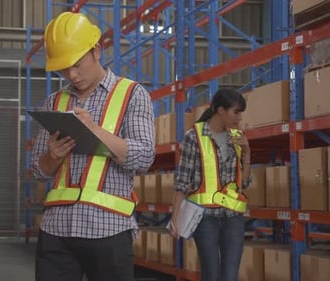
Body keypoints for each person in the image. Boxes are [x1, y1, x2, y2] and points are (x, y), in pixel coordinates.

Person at [31, 11, 155, 281]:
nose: (72, 75)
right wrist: (52, 157)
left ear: (97, 51)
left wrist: (95, 131)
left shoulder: (132, 95)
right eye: (64, 69)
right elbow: (38, 169)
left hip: (108, 229)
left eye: (77, 64)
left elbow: (144, 156)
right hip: (57, 230)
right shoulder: (55, 102)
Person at [169, 89, 251, 281]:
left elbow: (244, 183)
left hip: (233, 217)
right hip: (206, 219)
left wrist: (247, 152)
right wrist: (175, 219)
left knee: (230, 276)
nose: (239, 118)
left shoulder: (238, 137)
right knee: (211, 275)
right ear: (220, 110)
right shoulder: (194, 137)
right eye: (236, 112)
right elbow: (181, 183)